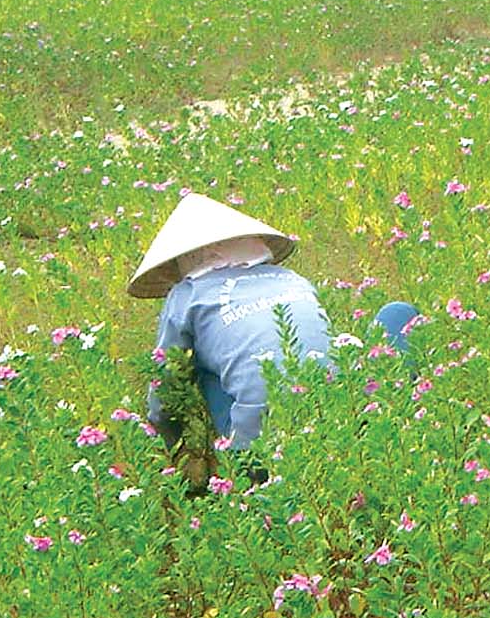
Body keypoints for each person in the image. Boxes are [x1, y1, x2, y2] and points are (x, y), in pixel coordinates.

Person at [129, 192, 418, 479]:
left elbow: (165, 386)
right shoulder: (291, 278)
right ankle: (391, 419)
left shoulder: (187, 294)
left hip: (262, 454)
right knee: (397, 314)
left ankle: (242, 468)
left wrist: (169, 448)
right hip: (340, 420)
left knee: (201, 368)